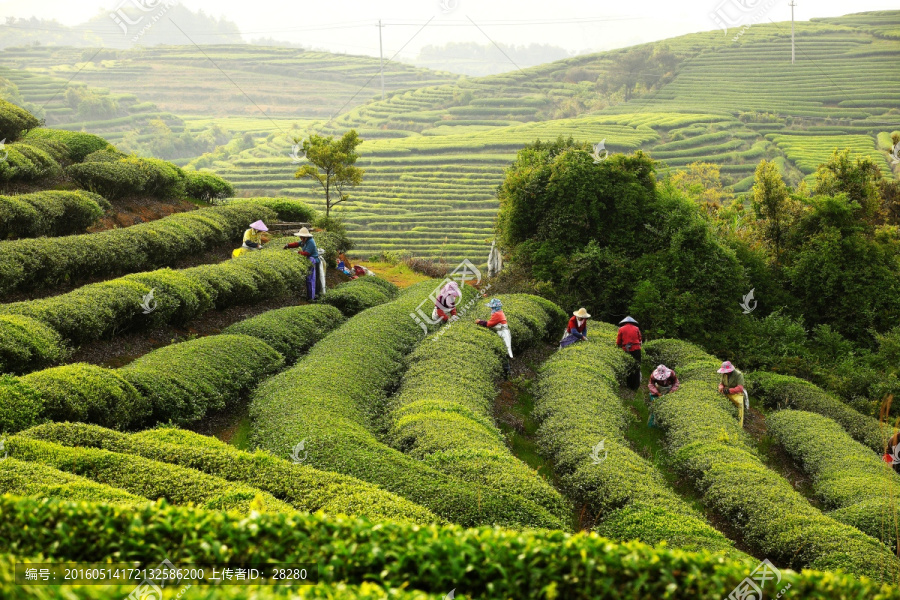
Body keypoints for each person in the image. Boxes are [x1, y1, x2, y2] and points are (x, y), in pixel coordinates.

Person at [283, 227, 319, 301]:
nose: (300, 238)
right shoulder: (304, 241)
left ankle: (311, 298)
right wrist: (288, 245)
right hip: (308, 260)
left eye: (301, 236)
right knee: (308, 279)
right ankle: (310, 296)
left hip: (312, 260)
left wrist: (298, 252)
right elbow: (297, 244)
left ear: (305, 236)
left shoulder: (310, 242)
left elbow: (307, 253)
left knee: (310, 279)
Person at [717, 361, 746, 428]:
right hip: (726, 393)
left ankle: (739, 426)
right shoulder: (724, 374)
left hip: (736, 394)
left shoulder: (738, 375)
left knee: (740, 407)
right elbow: (721, 383)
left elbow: (740, 388)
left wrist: (729, 390)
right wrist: (721, 387)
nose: (725, 373)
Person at [617, 316, 642, 389]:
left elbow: (618, 341)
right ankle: (636, 385)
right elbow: (640, 338)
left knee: (628, 367)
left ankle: (629, 385)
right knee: (637, 366)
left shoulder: (621, 329)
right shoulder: (636, 328)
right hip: (636, 349)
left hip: (626, 350)